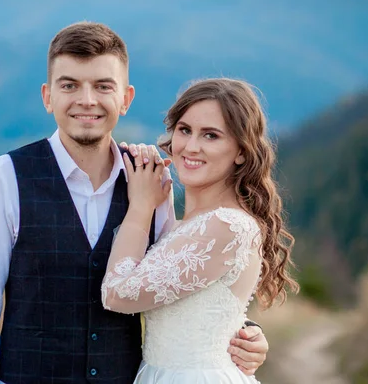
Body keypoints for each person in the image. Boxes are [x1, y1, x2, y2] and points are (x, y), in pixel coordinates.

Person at [0, 22, 269, 384]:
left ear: (125, 99)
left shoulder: (152, 179)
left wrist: (243, 330)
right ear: (47, 97)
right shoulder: (5, 177)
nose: (86, 100)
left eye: (103, 86)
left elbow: (185, 283)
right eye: (69, 85)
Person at [101, 78, 298, 383]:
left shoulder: (226, 226)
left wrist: (140, 207)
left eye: (211, 135)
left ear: (241, 152)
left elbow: (117, 294)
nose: (191, 147)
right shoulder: (188, 225)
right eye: (185, 130)